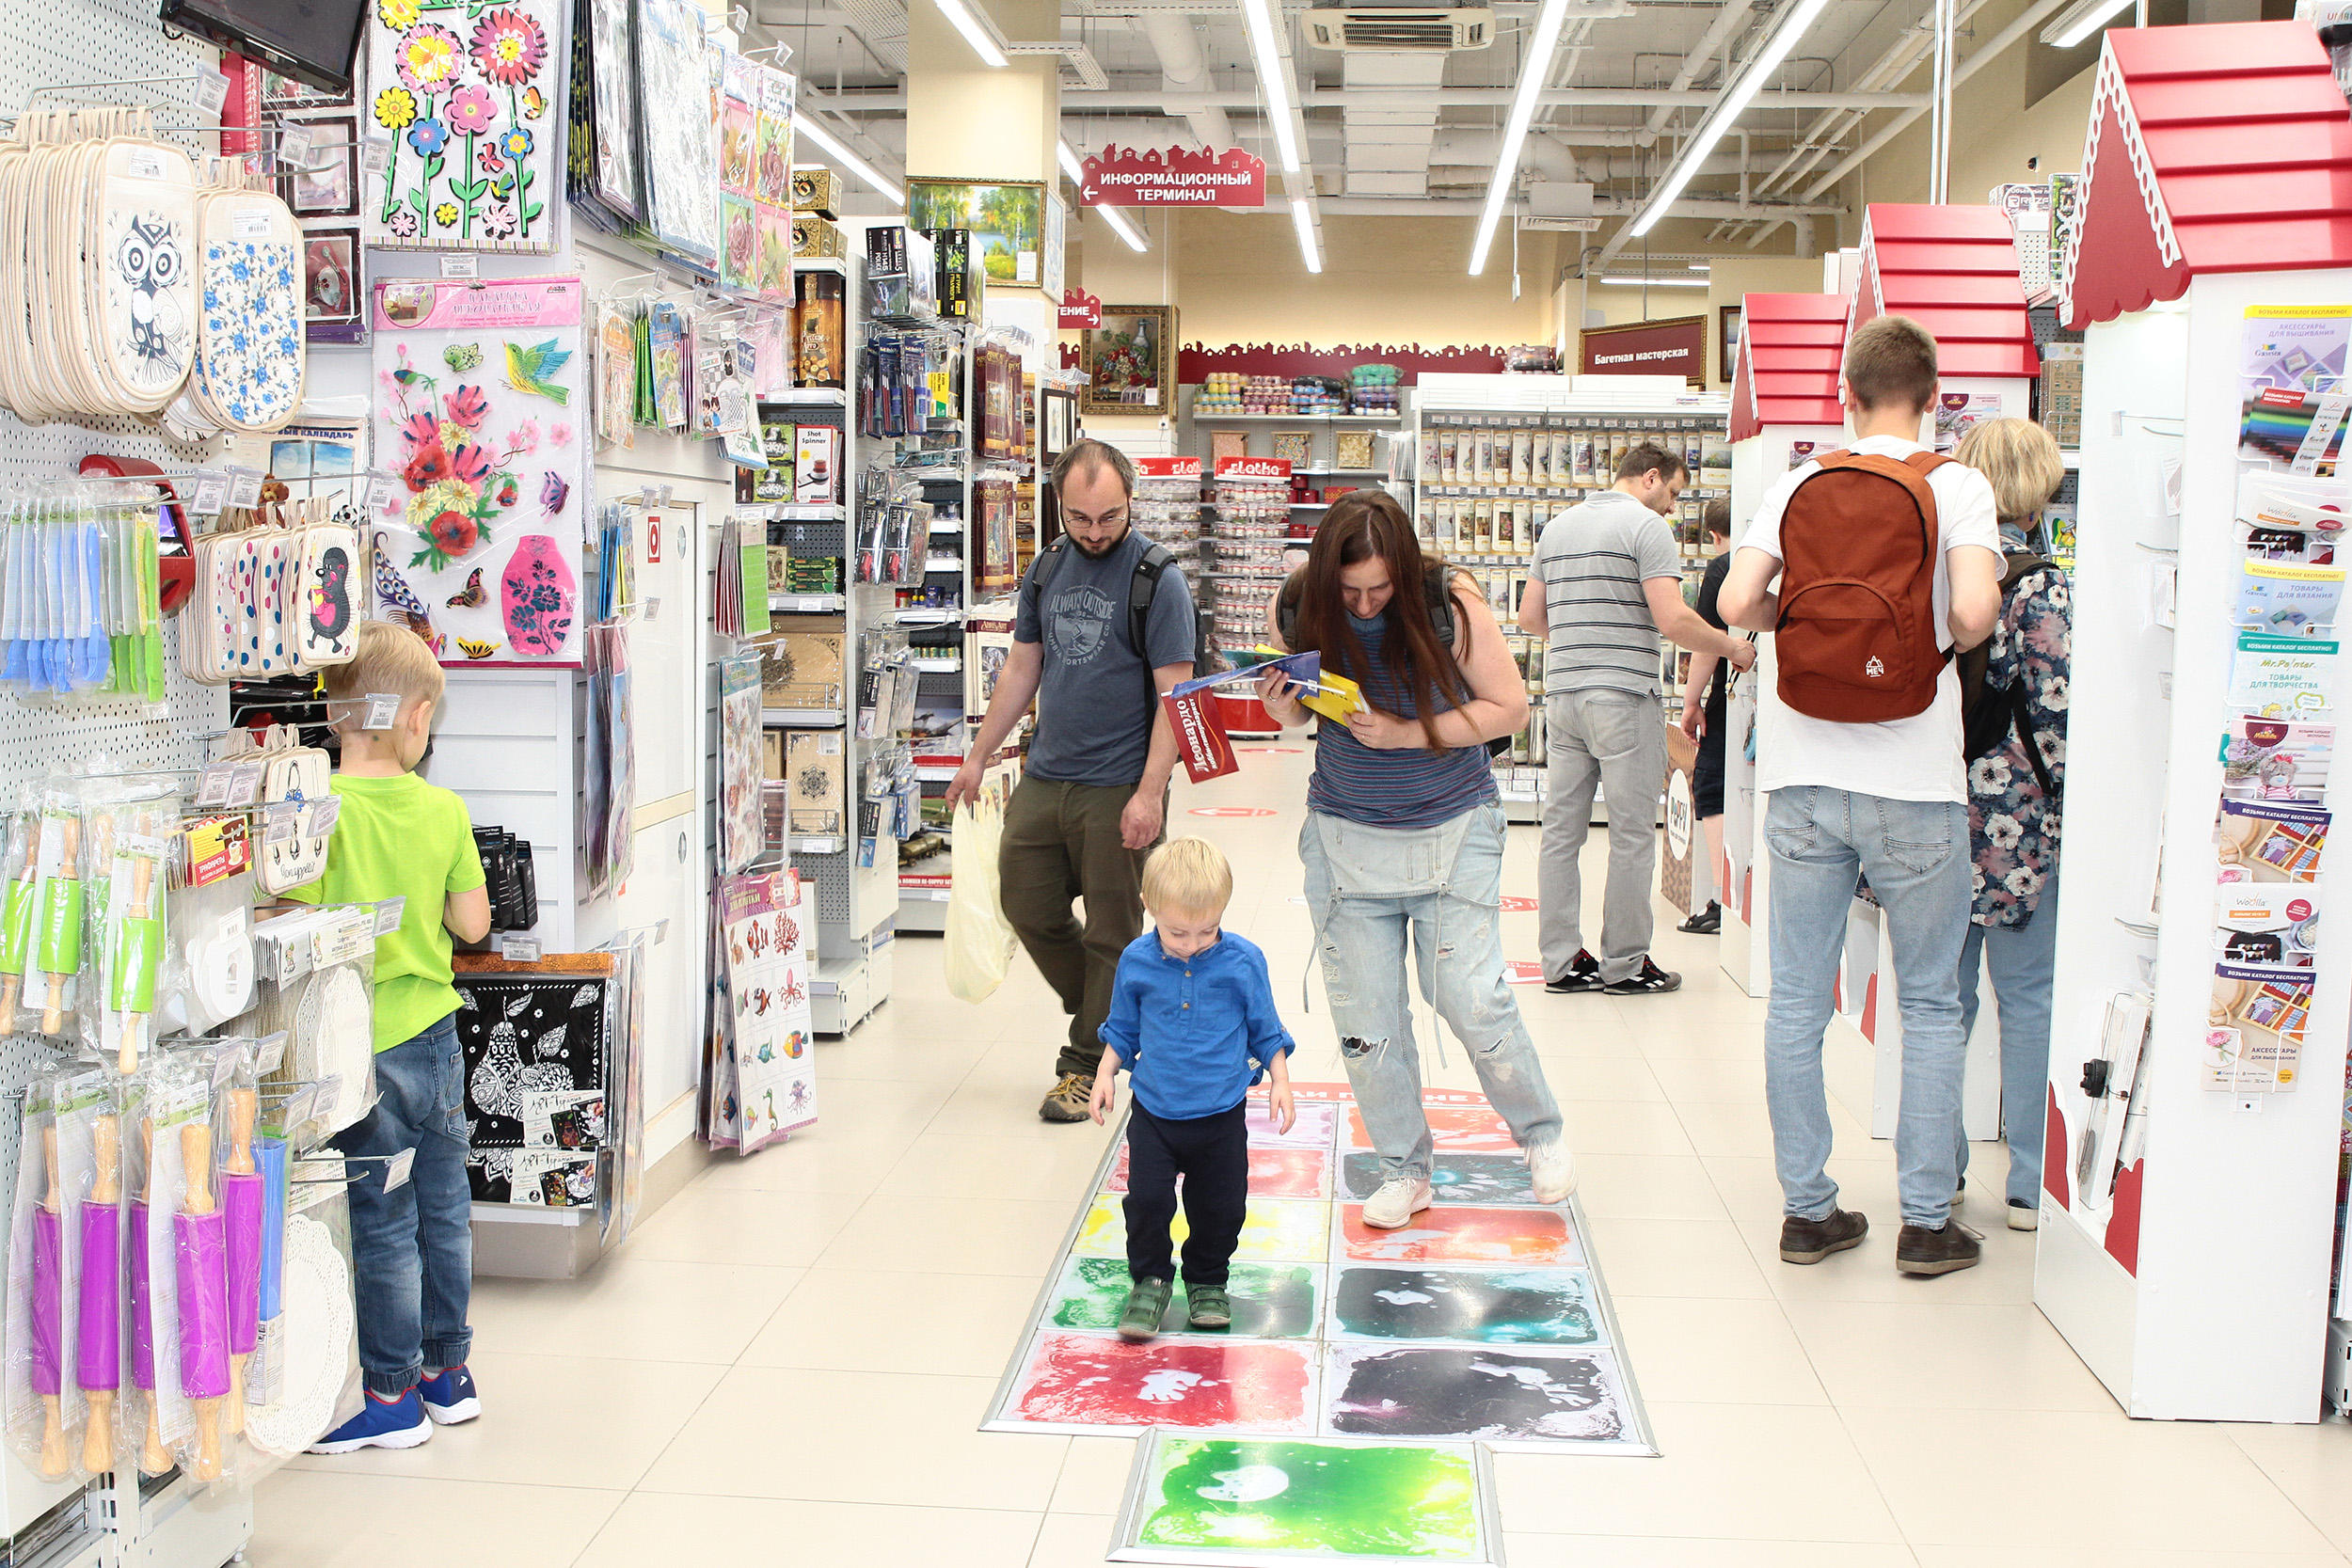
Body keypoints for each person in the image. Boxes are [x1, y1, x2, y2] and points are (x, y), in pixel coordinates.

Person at [1717, 313, 2005, 1278]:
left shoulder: (1798, 480)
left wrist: (1791, 624)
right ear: (1935, 396)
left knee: (1796, 999)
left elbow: (1734, 603)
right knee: (1928, 1001)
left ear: (1844, 393)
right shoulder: (1956, 484)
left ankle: (1809, 1210)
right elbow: (1969, 615)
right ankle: (1926, 1220)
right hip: (1915, 779)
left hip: (1802, 774)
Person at [1256, 491, 1573, 1228]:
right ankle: (1404, 1166)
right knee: (1367, 1020)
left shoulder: (1449, 602)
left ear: (1404, 567)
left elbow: (1510, 708)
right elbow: (1302, 709)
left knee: (1470, 995)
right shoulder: (1299, 603)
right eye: (1350, 591)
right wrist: (1283, 707)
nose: (1364, 606)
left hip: (1451, 829)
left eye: (1380, 588)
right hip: (1344, 839)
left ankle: (1542, 1131)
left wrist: (1404, 734)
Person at [946, 438, 1199, 1123]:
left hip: (1120, 782)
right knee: (1022, 898)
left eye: (1108, 517)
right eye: (1080, 518)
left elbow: (1177, 697)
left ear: (1130, 501)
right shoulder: (1048, 567)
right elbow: (1022, 669)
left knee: (1114, 930)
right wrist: (977, 754)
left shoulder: (1157, 579)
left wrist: (1150, 793)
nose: (1094, 532)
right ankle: (1109, 1012)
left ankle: (1086, 1063)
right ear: (1061, 506)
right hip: (1047, 771)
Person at [300, 622, 492, 1452]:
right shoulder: (444, 809)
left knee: (381, 1219)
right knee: (445, 1209)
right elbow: (475, 924)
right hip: (438, 1041)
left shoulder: (318, 815)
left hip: (358, 1051)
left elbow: (291, 919)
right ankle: (448, 1375)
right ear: (417, 719)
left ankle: (389, 1394)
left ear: (339, 715)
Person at [1521, 445, 1756, 996]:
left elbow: (1531, 617)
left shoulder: (1557, 528)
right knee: (1630, 835)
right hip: (1625, 698)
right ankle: (1624, 965)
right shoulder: (1647, 530)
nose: (1672, 508)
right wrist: (1731, 648)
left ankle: (1559, 963)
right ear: (1650, 477)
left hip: (1564, 697)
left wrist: (1582, 640)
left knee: (1560, 833)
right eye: (1672, 493)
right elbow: (1672, 620)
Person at [1088, 838, 1295, 1338]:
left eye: (1207, 931)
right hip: (1155, 1114)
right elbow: (1122, 1028)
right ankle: (1151, 1280)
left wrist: (1280, 1080)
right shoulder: (1136, 962)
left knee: (1222, 1207)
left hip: (1221, 1116)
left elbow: (1266, 1030)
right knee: (1147, 1201)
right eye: (1178, 932)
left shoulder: (1244, 962)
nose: (1192, 943)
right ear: (1149, 906)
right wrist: (1103, 1074)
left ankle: (1207, 1280)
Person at [1948, 418, 2071, 1233]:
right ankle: (2029, 1180)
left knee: (1937, 1001)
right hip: (2020, 821)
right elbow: (2058, 715)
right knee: (2027, 998)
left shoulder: (1947, 575)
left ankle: (1939, 1172)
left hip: (1931, 810)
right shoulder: (2045, 589)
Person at [1677, 500, 1746, 935]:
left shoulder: (1724, 568)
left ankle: (1726, 900)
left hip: (1732, 698)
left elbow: (1707, 640)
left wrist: (1690, 701)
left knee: (1712, 784)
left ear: (1716, 535)